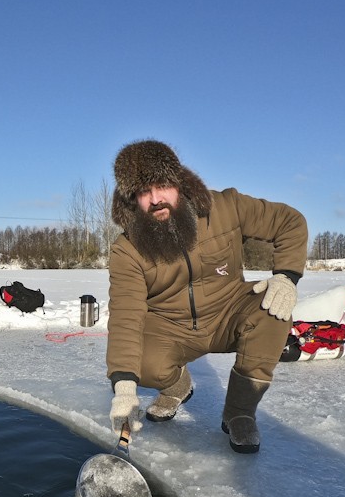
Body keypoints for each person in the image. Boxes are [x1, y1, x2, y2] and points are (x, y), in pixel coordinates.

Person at [106, 139, 308, 453]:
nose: (156, 199)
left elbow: (289, 221)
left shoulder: (226, 207)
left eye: (162, 185)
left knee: (273, 310)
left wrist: (286, 276)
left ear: (179, 182)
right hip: (172, 326)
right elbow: (125, 316)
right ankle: (177, 387)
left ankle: (240, 412)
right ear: (132, 200)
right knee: (142, 364)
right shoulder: (127, 249)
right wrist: (123, 388)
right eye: (143, 192)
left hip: (231, 310)